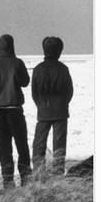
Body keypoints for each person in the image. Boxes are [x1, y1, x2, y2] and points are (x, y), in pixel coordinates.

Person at [0, 34, 32, 188]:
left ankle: (8, 180)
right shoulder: (17, 63)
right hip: (15, 111)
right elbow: (25, 82)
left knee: (4, 148)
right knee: (22, 146)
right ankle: (25, 177)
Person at [31, 36, 73, 177]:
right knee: (59, 145)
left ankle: (38, 171)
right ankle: (58, 172)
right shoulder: (63, 69)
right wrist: (63, 103)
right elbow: (69, 91)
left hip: (43, 111)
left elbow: (34, 93)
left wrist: (41, 105)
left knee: (39, 143)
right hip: (60, 111)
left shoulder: (38, 69)